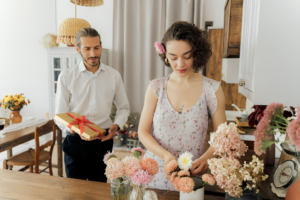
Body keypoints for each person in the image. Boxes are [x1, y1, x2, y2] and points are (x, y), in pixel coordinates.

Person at [138, 21, 226, 190]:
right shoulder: (156, 87)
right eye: (173, 57)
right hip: (156, 174)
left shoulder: (212, 89)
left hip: (192, 176)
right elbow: (142, 132)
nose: (180, 64)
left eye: (187, 56)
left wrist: (206, 157)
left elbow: (223, 136)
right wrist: (165, 156)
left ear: (197, 53)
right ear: (165, 55)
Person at [55, 27, 130, 182]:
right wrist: (78, 130)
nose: (93, 54)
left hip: (103, 140)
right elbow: (60, 116)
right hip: (75, 141)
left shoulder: (114, 75)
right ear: (77, 49)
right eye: (87, 49)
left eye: (96, 48)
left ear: (101, 47)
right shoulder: (66, 76)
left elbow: (123, 107)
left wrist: (116, 126)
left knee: (99, 188)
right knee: (75, 190)